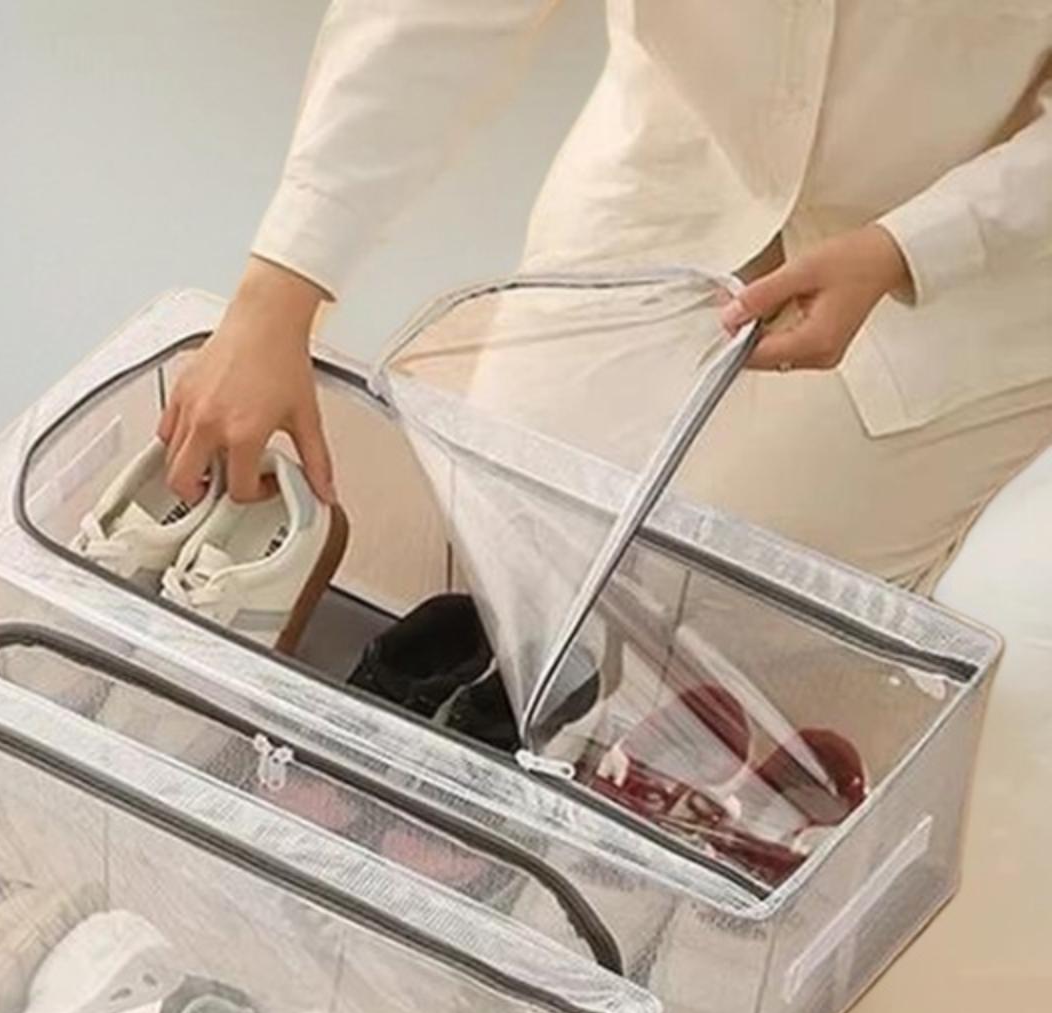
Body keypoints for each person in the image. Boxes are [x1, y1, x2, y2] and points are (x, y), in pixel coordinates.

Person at [158, 1, 1052, 593]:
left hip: (984, 251)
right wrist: (276, 295)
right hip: (686, 156)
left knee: (744, 601)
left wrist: (909, 247)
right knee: (510, 528)